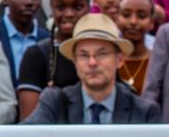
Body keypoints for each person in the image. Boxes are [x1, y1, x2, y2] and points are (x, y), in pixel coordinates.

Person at [22, 14, 161, 124]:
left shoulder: (144, 111)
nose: (92, 62)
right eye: (83, 55)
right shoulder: (55, 102)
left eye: (102, 53)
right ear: (74, 61)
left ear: (119, 60)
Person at [16, 0, 90, 121]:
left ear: (89, 7)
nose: (69, 13)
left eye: (78, 7)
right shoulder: (36, 54)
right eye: (60, 7)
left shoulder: (102, 53)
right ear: (51, 8)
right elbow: (30, 120)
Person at [115, 0, 155, 94]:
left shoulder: (159, 62)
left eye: (141, 16)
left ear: (151, 23)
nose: (133, 21)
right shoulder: (108, 61)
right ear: (117, 18)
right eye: (126, 15)